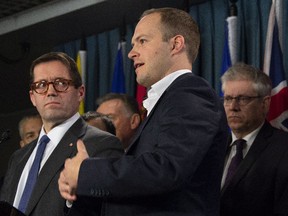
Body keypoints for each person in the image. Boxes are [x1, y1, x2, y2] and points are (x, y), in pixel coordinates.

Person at [58, 7, 228, 216]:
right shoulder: (167, 101)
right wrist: (78, 188)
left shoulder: (190, 93)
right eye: (132, 44)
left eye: (143, 41)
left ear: (176, 45)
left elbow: (166, 169)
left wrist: (86, 173)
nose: (131, 53)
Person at [0, 52, 123, 216]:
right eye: (41, 85)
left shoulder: (101, 144)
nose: (50, 91)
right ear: (33, 97)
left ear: (80, 92)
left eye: (60, 83)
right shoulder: (18, 157)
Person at [220, 62, 288, 216]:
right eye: (228, 98)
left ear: (265, 103)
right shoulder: (212, 146)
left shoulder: (283, 149)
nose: (233, 107)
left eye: (242, 99)